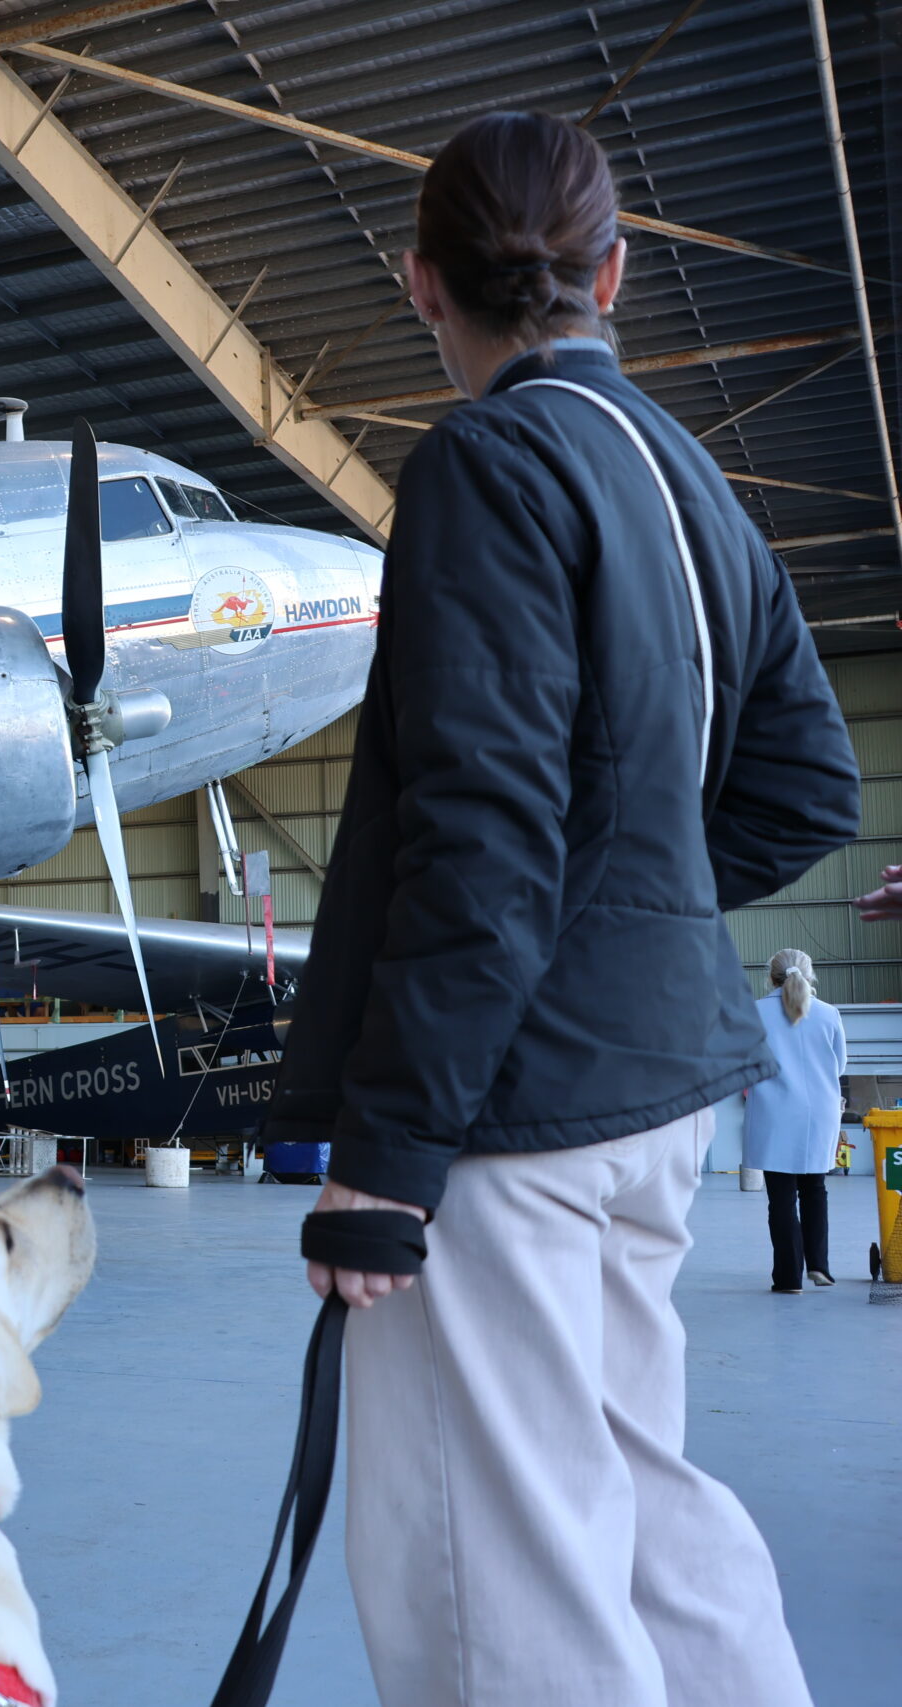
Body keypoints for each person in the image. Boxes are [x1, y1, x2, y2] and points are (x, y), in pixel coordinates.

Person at [260, 111, 858, 1707]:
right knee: (638, 1502)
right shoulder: (694, 480)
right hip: (660, 1094)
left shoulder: (484, 465)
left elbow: (485, 834)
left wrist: (387, 1153)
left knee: (495, 1578)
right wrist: (638, 905)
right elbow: (811, 787)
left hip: (508, 1116)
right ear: (615, 271)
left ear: (421, 284)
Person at [744, 948, 847, 1292]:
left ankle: (789, 1278)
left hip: (774, 1111)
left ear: (770, 977)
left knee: (782, 1198)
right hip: (819, 1111)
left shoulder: (755, 1012)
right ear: (810, 975)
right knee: (815, 1188)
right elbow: (839, 1065)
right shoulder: (829, 1013)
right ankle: (819, 1266)